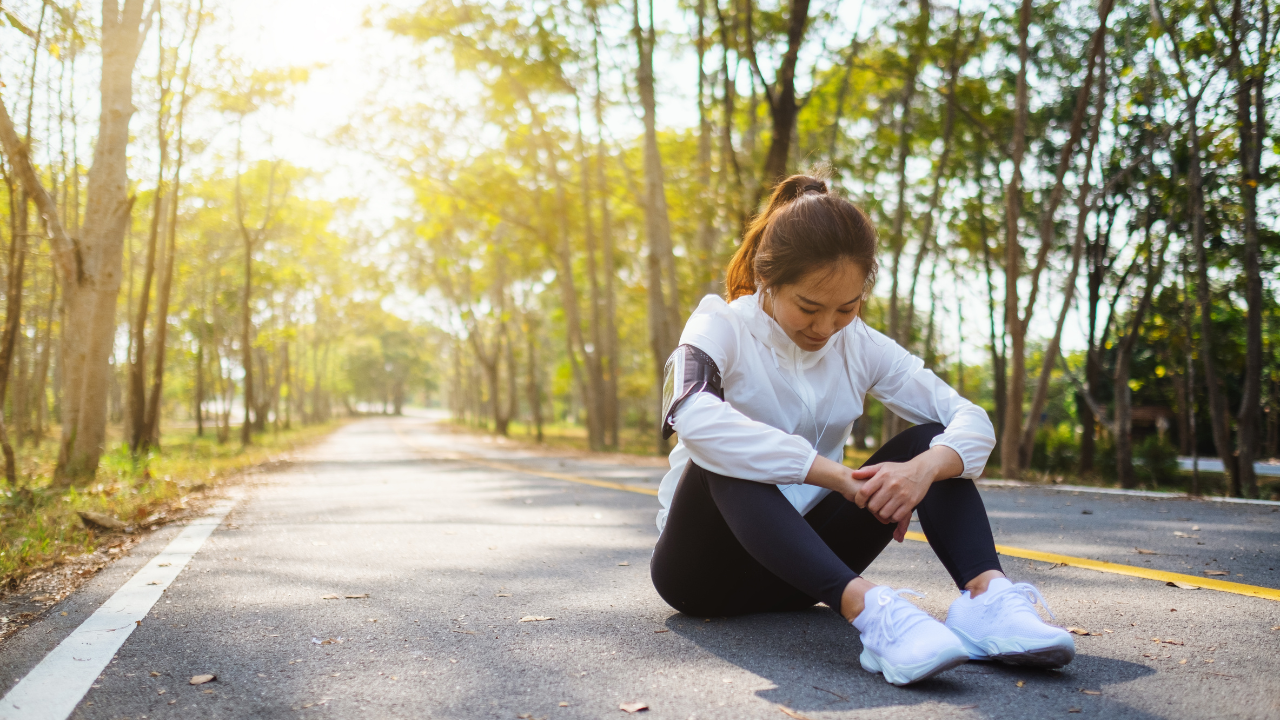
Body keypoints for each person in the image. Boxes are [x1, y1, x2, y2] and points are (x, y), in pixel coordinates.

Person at [649, 174, 1074, 686]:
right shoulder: (720, 324)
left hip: (803, 575)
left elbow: (971, 420)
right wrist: (839, 477)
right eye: (809, 306)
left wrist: (920, 472)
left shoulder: (861, 344)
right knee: (721, 457)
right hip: (702, 577)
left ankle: (987, 599)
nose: (825, 327)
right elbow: (691, 416)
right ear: (769, 279)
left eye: (845, 309)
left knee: (931, 440)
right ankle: (872, 612)